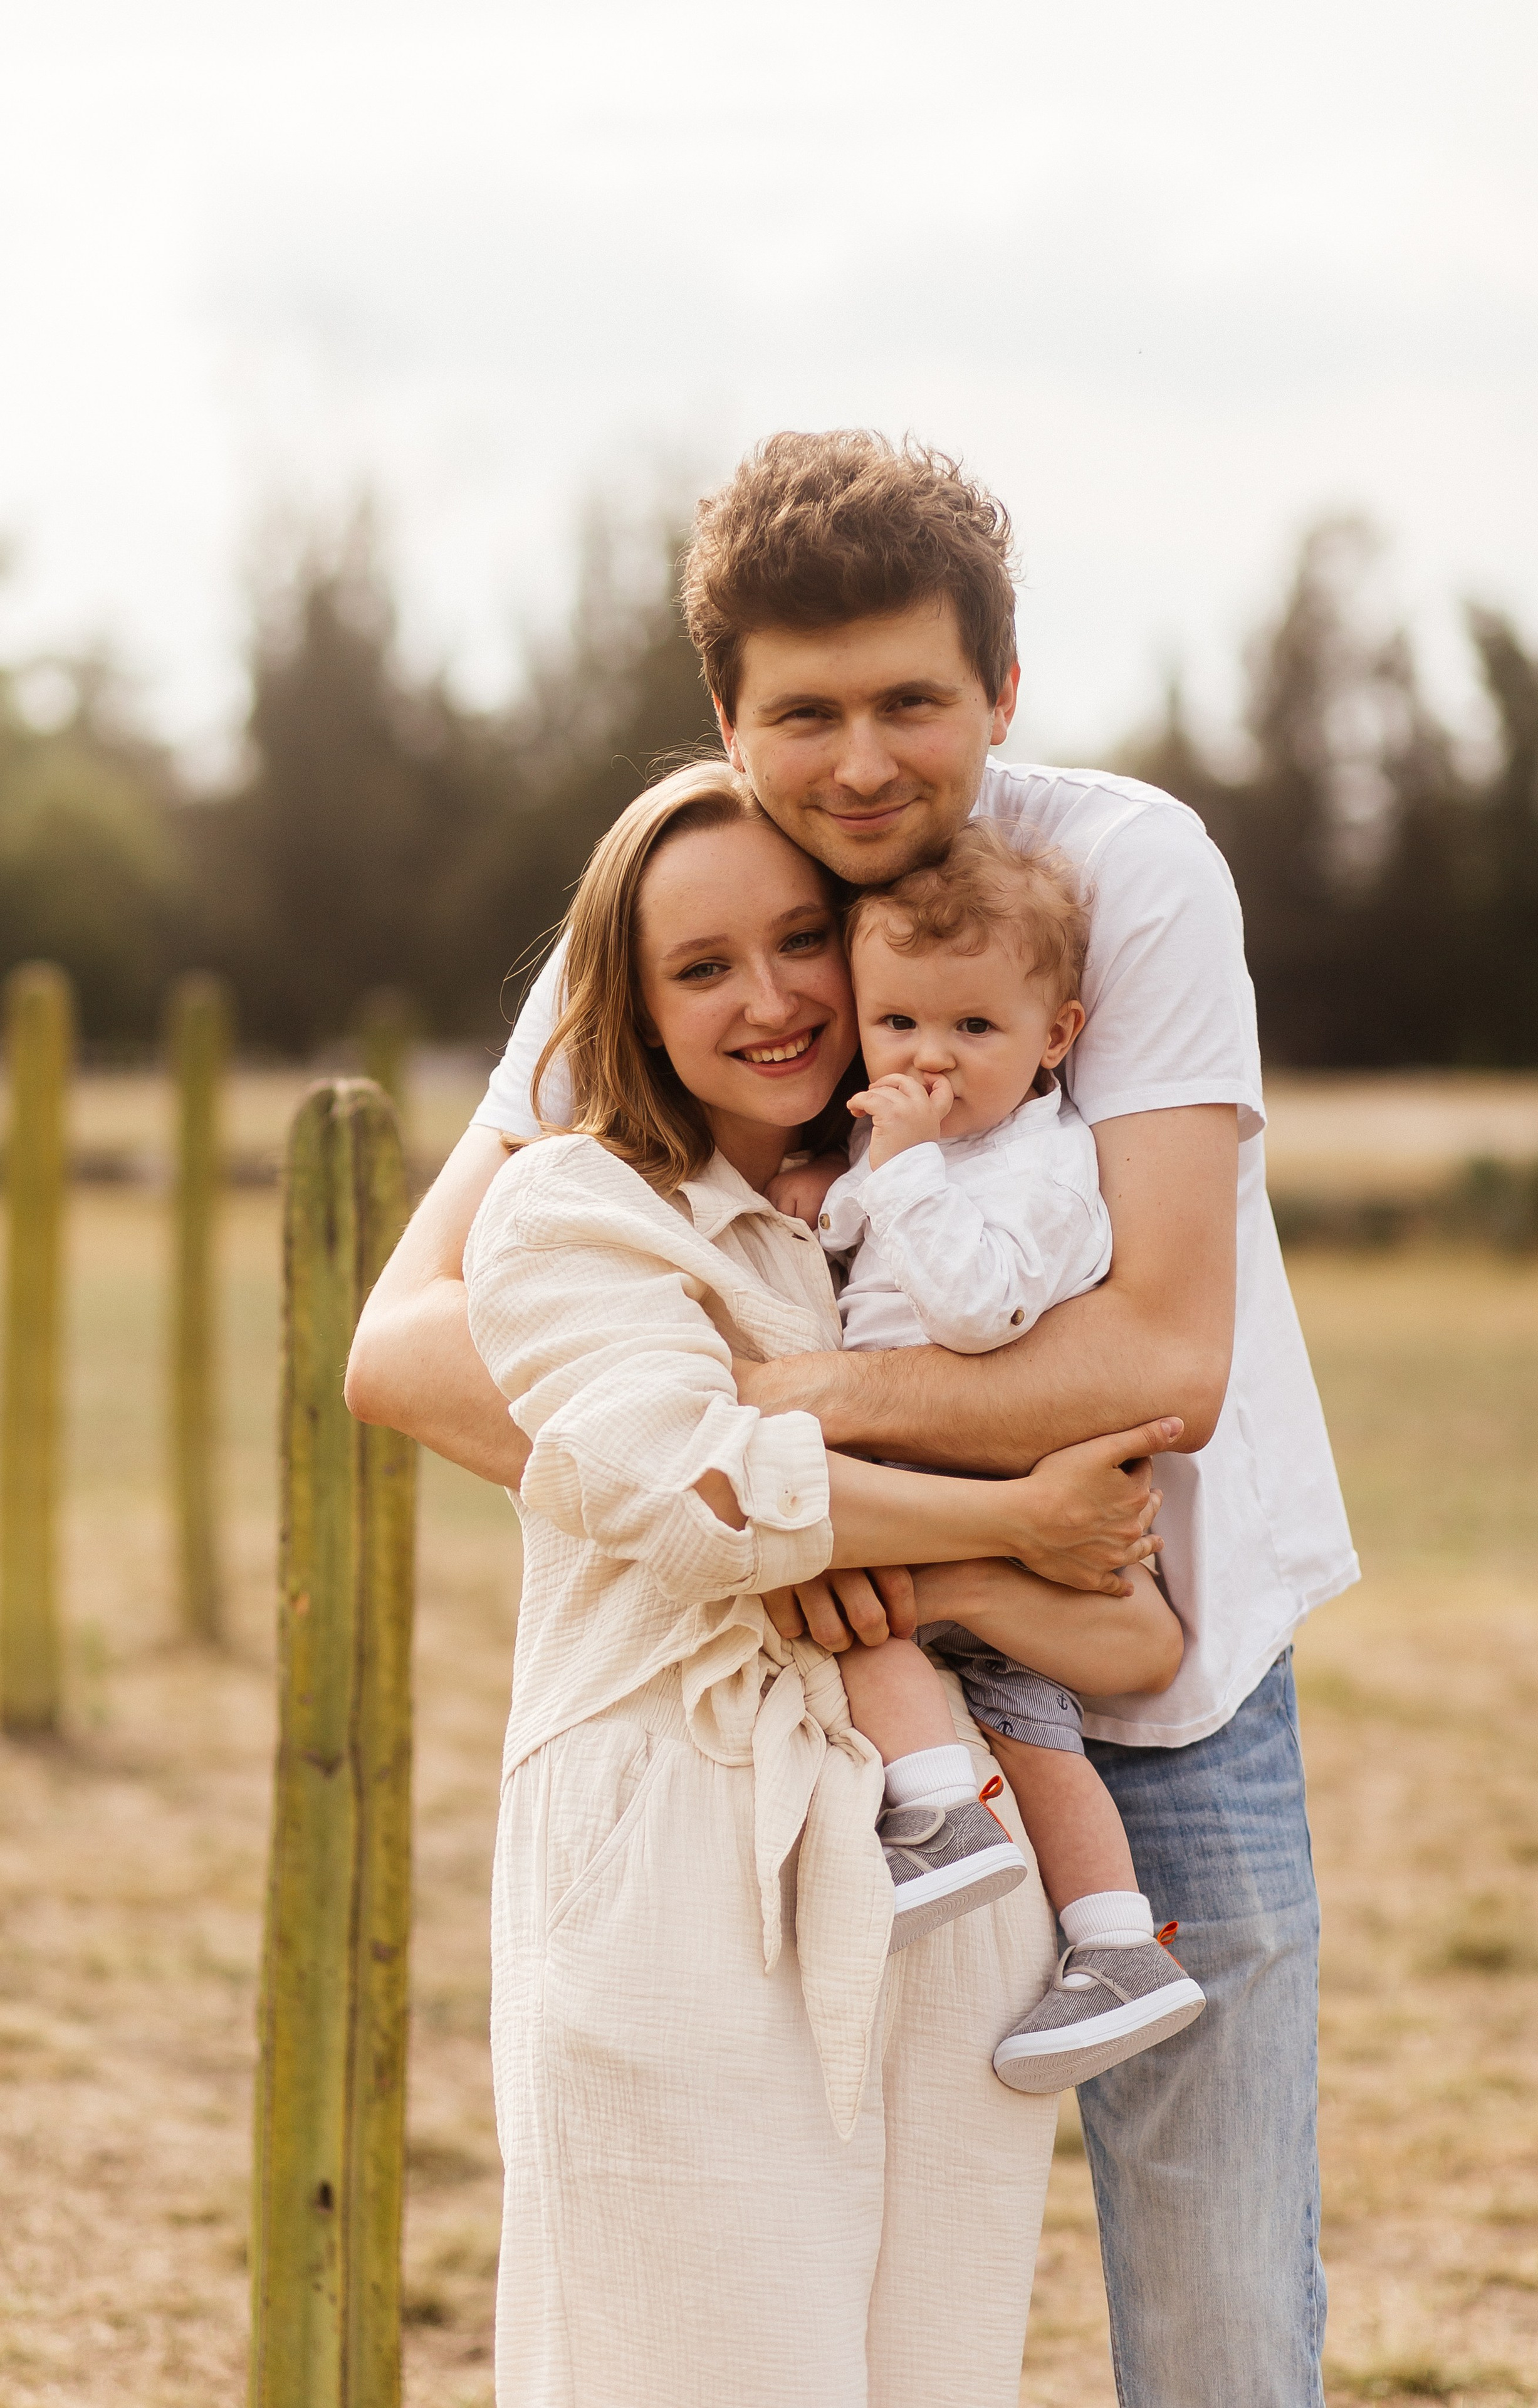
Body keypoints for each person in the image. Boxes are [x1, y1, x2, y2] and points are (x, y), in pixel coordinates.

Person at [348, 430, 1358, 2407]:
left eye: (915, 697)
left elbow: (1164, 1362)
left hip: (1160, 1652)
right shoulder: (692, 916)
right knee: (861, 2307)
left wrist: (764, 1420)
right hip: (862, 1706)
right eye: (805, 712)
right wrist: (777, 1491)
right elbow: (405, 1340)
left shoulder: (1113, 873)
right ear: (725, 716)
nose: (866, 760)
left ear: (1002, 685)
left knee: (1227, 2310)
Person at [461, 762, 1182, 2405]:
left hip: (951, 1880)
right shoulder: (571, 1210)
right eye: (702, 967)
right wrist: (985, 1536)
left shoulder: (896, 1227)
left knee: (930, 2376)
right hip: (678, 1850)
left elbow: (1123, 1616)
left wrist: (975, 1550)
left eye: (800, 941)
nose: (776, 998)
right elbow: (682, 1488)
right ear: (631, 1004)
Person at [784, 819, 1206, 2091]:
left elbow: (978, 1316)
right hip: (959, 1470)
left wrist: (898, 1168)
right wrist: (839, 1194)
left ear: (1053, 1038)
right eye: (898, 1024)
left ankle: (932, 1820)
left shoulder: (1043, 1166)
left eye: (972, 1030)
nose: (927, 1059)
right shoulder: (915, 1148)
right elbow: (861, 1244)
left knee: (871, 1625)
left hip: (988, 1468)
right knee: (1029, 1724)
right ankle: (1116, 1945)